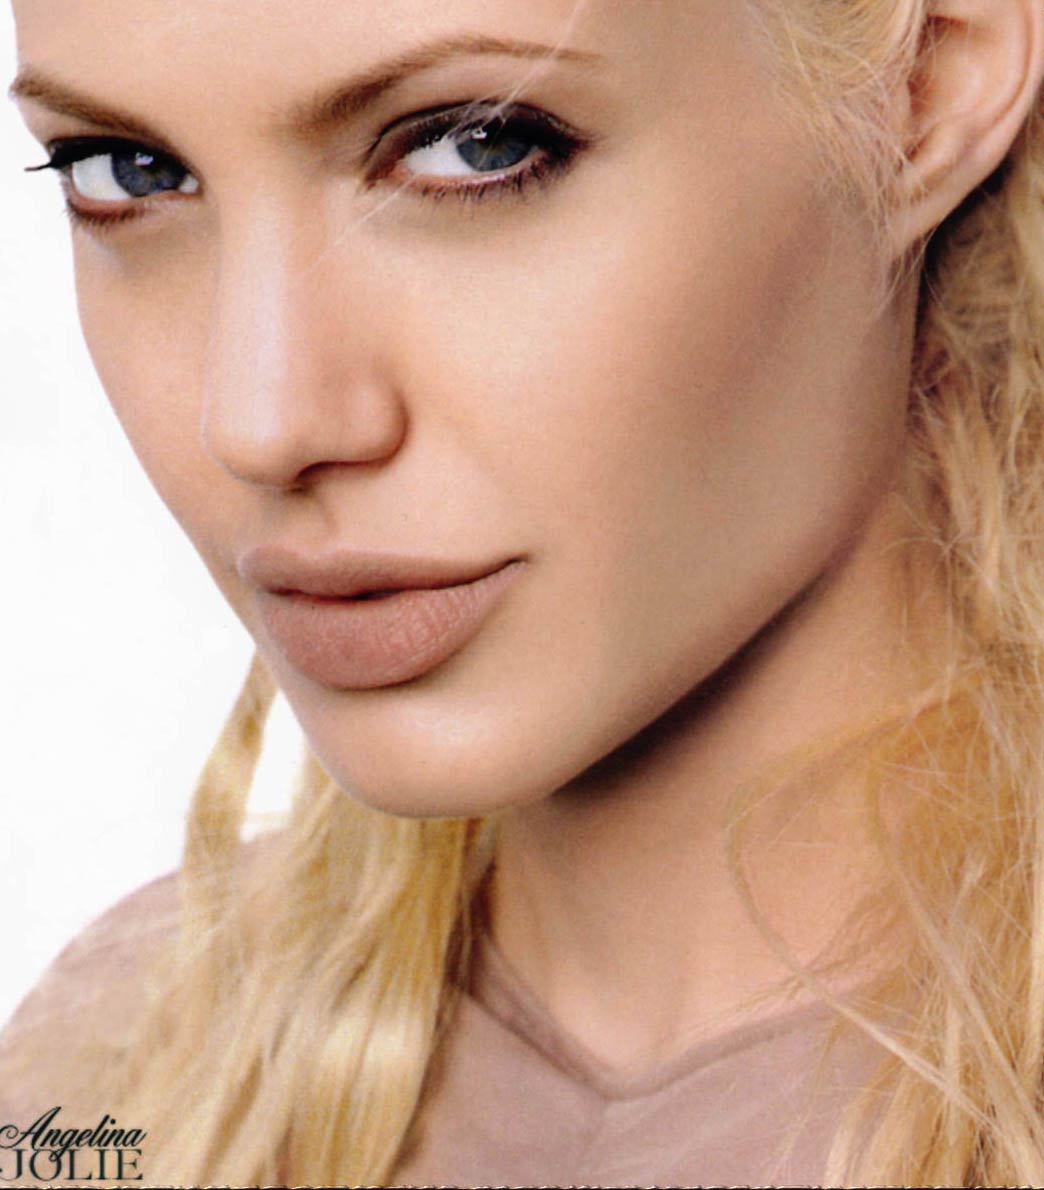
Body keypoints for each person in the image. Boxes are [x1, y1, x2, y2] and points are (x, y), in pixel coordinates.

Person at [3, 0, 1044, 1185]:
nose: (260, 423)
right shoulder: (121, 1077)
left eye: (475, 146)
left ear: (926, 88)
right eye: (126, 171)